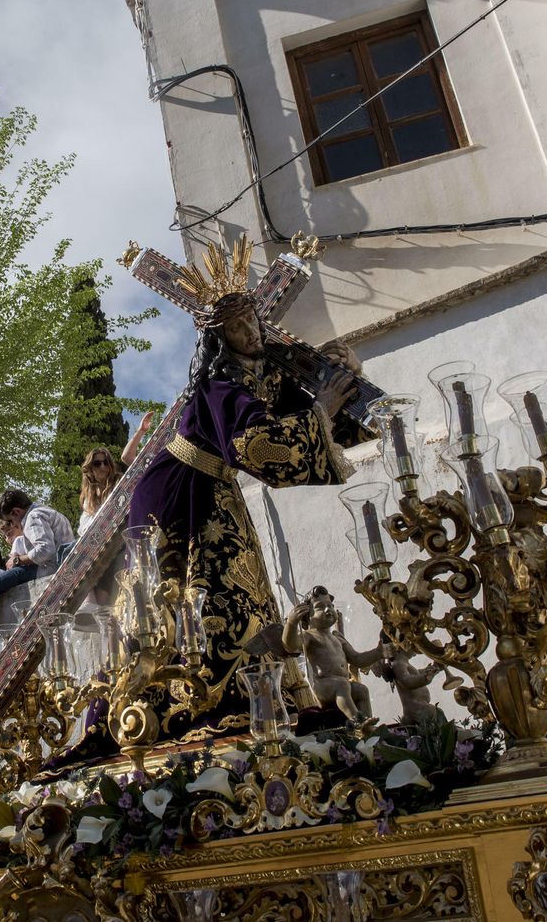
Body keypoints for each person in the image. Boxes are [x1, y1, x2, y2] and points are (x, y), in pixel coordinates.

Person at [123, 237, 368, 743]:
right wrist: (319, 407)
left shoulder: (267, 372)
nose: (251, 331)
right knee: (202, 593)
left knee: (241, 582)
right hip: (177, 494)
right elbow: (255, 445)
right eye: (237, 326)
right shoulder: (217, 386)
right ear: (218, 339)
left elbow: (314, 414)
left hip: (214, 486)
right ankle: (198, 696)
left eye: (252, 319)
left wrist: (341, 376)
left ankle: (260, 688)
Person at [0, 489, 73, 679]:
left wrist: (18, 561)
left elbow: (45, 550)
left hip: (44, 568)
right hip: (52, 565)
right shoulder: (47, 511)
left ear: (17, 512)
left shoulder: (33, 517)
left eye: (11, 520)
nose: (13, 524)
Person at [77, 410, 157, 533]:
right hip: (105, 544)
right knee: (64, 550)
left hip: (128, 532)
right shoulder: (90, 497)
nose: (103, 466)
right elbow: (83, 530)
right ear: (90, 469)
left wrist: (141, 431)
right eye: (97, 464)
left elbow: (126, 457)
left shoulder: (120, 483)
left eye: (106, 462)